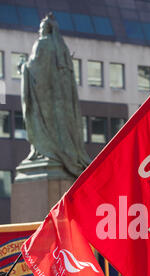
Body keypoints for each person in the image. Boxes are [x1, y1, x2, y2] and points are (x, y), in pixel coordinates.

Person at [20, 13, 91, 178]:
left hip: (44, 98)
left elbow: (34, 67)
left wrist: (23, 66)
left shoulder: (42, 44)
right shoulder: (62, 49)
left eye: (41, 28)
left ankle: (46, 151)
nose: (40, 31)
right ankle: (60, 151)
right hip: (61, 105)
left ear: (45, 30)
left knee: (41, 123)